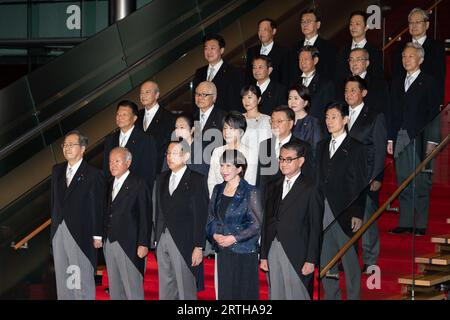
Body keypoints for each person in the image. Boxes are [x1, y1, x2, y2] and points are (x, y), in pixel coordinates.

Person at [387, 43, 440, 236]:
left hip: (420, 138)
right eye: (403, 56)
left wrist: (432, 141)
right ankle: (406, 222)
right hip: (400, 136)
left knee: (421, 182)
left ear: (421, 59)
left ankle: (420, 224)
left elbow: (434, 114)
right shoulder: (397, 81)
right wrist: (390, 139)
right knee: (403, 182)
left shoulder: (429, 82)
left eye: (410, 56)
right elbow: (392, 112)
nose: (406, 60)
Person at [317, 102, 367, 300]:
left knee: (350, 261)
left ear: (345, 119)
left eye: (334, 117)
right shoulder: (321, 146)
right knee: (325, 260)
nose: (329, 121)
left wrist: (357, 212)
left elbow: (361, 182)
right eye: (327, 117)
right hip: (323, 210)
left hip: (345, 211)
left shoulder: (356, 147)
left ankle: (354, 296)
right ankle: (332, 296)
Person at [260, 141, 323, 299]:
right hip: (273, 246)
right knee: (276, 294)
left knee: (297, 294)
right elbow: (266, 222)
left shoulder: (311, 187)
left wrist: (311, 259)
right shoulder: (272, 185)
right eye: (281, 159)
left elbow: (316, 227)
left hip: (298, 251)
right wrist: (263, 255)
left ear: (300, 161)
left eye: (288, 159)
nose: (283, 163)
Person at [51, 131, 105, 300]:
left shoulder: (93, 174)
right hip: (59, 230)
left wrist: (97, 234)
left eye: (71, 145)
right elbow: (54, 202)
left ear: (82, 149)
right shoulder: (57, 170)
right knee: (64, 279)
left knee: (80, 279)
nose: (67, 148)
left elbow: (98, 206)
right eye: (64, 145)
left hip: (81, 233)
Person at [154, 139, 209, 299]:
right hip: (162, 238)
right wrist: (156, 238)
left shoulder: (196, 179)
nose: (170, 157)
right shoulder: (161, 178)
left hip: (185, 241)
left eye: (174, 153)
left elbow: (201, 215)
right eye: (168, 153)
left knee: (186, 289)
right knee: (166, 287)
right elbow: (158, 211)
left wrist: (199, 246)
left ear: (185, 156)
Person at [206, 149, 262, 299]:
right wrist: (214, 234)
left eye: (228, 166)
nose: (224, 170)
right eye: (222, 165)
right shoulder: (218, 189)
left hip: (243, 251)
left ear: (239, 168)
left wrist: (234, 238)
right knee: (226, 294)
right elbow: (211, 218)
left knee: (243, 294)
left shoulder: (250, 191)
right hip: (223, 250)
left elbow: (256, 225)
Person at [344, 76, 387, 273]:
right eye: (346, 90)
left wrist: (377, 176)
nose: (349, 94)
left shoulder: (374, 116)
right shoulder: (340, 115)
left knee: (367, 219)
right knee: (346, 219)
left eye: (353, 90)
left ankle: (370, 261)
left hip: (366, 176)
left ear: (364, 93)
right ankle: (347, 258)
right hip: (345, 177)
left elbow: (379, 149)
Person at [104, 147, 151, 300]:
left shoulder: (138, 183)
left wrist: (143, 243)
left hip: (130, 245)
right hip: (110, 243)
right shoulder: (109, 184)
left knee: (133, 290)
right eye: (110, 161)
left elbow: (145, 214)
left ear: (128, 162)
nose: (112, 165)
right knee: (115, 290)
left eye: (117, 161)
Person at [257, 106, 313, 204]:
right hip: (268, 203)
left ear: (290, 124)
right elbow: (260, 180)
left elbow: (307, 177)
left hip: (293, 202)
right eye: (272, 121)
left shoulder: (303, 146)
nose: (274, 125)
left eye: (279, 121)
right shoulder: (264, 145)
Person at [392, 7, 446, 104]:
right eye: (411, 23)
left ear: (427, 25)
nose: (414, 25)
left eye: (418, 22)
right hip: (403, 98)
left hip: (426, 99)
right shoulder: (400, 47)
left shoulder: (437, 47)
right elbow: (396, 74)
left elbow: (439, 76)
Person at [103, 100, 157, 193]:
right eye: (118, 114)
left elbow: (149, 172)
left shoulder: (146, 140)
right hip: (114, 191)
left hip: (135, 191)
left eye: (124, 115)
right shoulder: (110, 139)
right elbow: (106, 168)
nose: (120, 117)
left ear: (134, 118)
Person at [208, 111, 258, 197]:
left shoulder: (250, 153)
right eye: (225, 128)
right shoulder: (217, 151)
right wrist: (214, 199)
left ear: (241, 132)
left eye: (231, 129)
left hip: (241, 201)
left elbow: (250, 182)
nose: (227, 132)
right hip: (219, 199)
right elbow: (211, 180)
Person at [193, 33, 244, 112]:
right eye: (206, 48)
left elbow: (236, 102)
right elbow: (195, 102)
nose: (208, 52)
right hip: (203, 122)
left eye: (212, 48)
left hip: (223, 121)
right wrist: (197, 122)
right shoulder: (199, 72)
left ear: (221, 50)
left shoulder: (234, 72)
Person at [136, 81, 175, 173]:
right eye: (141, 93)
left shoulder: (168, 117)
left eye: (147, 92)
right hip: (138, 170)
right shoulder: (137, 116)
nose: (143, 95)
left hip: (159, 169)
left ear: (157, 95)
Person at [335, 11, 383, 82]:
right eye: (351, 24)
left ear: (366, 27)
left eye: (357, 24)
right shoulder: (343, 50)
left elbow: (377, 77)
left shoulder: (375, 52)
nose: (353, 27)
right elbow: (338, 76)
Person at [246, 18, 293, 87]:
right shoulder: (251, 51)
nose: (261, 33)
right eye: (259, 30)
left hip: (276, 93)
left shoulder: (284, 51)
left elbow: (286, 77)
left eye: (265, 30)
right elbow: (248, 76)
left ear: (273, 31)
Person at [296, 46, 335, 125]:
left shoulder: (325, 84)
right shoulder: (294, 83)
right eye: (300, 60)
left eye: (306, 59)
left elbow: (329, 110)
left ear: (315, 60)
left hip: (316, 129)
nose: (302, 63)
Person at [295, 8, 337, 81]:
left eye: (309, 21)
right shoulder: (294, 48)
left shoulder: (329, 48)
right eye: (303, 22)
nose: (305, 24)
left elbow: (332, 73)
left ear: (318, 24)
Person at [288, 84, 323, 156]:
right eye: (290, 98)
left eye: (296, 98)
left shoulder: (313, 122)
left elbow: (316, 150)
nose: (292, 102)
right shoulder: (285, 120)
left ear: (305, 103)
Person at [240, 84, 272, 154]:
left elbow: (267, 146)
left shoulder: (266, 120)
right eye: (243, 98)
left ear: (259, 99)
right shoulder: (237, 117)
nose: (246, 101)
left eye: (249, 97)